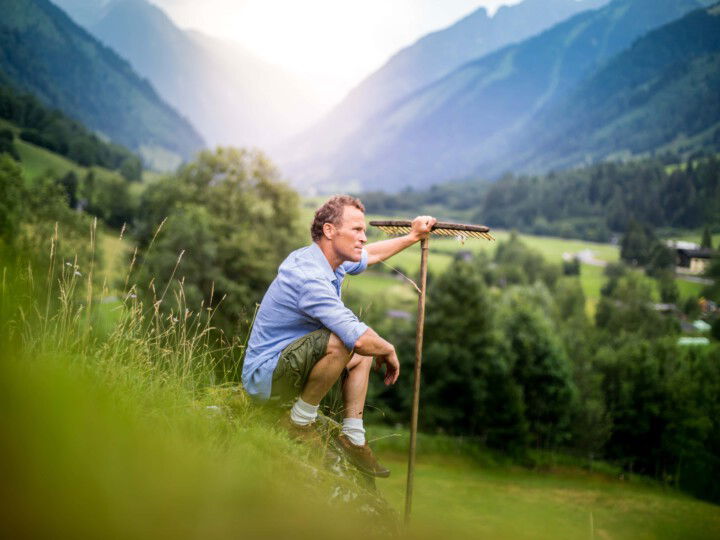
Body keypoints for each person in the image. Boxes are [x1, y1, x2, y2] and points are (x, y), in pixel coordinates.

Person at [242, 195, 436, 477]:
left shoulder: (329, 261)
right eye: (357, 230)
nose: (364, 237)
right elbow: (356, 337)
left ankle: (353, 436)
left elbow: (373, 254)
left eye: (363, 230)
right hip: (266, 379)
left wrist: (413, 236)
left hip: (288, 367)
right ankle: (299, 423)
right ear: (330, 231)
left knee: (362, 352)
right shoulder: (308, 276)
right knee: (348, 340)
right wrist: (388, 348)